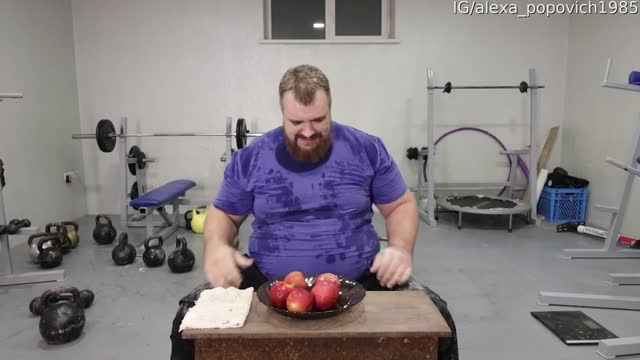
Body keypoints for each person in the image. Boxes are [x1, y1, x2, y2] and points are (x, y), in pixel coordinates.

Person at [170, 65, 458, 360]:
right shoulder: (251, 159)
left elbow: (400, 205)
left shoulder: (366, 149)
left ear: (330, 109)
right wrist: (216, 245)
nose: (308, 132)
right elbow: (225, 215)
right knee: (186, 319)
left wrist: (400, 249)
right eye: (296, 122)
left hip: (362, 282)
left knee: (439, 317)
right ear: (282, 114)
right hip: (267, 286)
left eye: (319, 120)